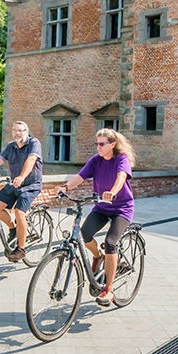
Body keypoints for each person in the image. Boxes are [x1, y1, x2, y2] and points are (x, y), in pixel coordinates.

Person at [60, 128, 135, 306]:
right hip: (101, 207)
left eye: (102, 144)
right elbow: (80, 177)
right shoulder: (96, 160)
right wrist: (66, 187)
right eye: (97, 144)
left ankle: (108, 289)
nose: (98, 147)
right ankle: (98, 256)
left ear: (112, 144)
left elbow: (121, 177)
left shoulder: (121, 159)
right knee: (84, 233)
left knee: (110, 242)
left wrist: (113, 191)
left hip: (121, 209)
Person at [0, 121, 43, 262]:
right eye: (15, 130)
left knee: (19, 212)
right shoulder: (11, 146)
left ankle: (21, 249)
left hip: (31, 185)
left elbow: (31, 160)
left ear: (26, 132)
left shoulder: (34, 143)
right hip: (14, 184)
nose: (17, 133)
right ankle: (13, 229)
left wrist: (22, 177)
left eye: (20, 130)